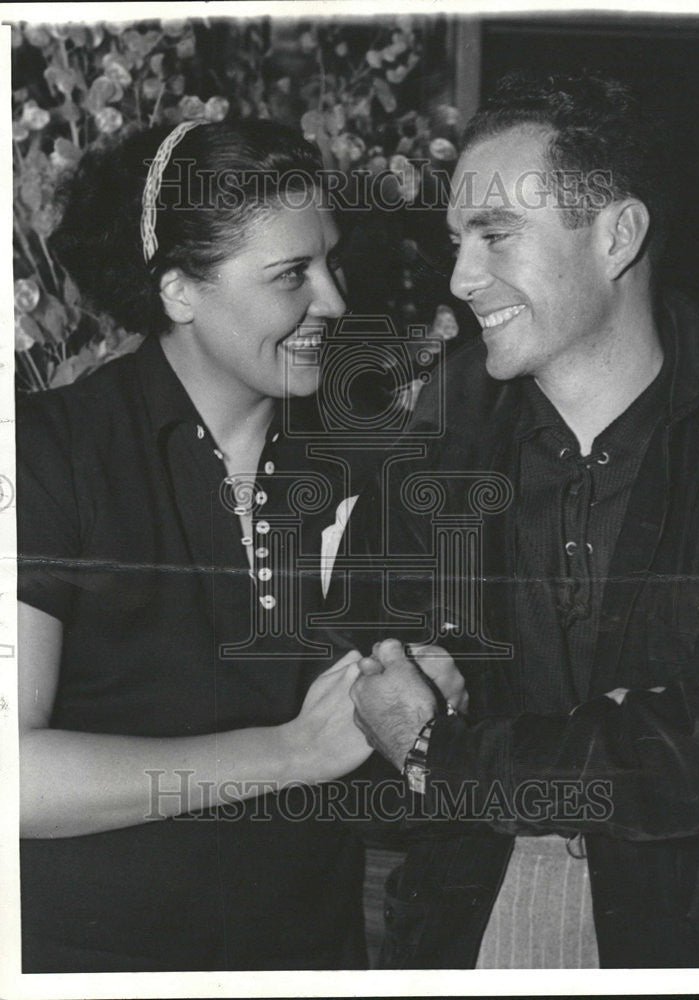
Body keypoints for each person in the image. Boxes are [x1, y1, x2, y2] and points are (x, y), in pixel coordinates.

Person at [17, 117, 464, 972]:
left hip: (309, 954)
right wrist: (290, 753)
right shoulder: (49, 453)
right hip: (92, 963)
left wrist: (427, 707)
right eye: (292, 274)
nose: (332, 300)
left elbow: (380, 756)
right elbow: (16, 778)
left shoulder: (361, 457)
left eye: (328, 261)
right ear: (180, 290)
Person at [349, 71, 699, 969]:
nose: (460, 278)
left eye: (495, 236)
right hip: (470, 920)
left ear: (617, 235)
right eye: (455, 240)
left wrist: (452, 754)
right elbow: (365, 695)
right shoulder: (425, 446)